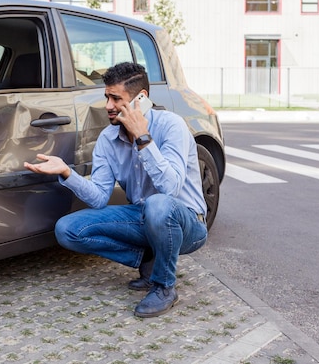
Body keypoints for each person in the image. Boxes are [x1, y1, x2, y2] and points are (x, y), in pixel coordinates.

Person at [24, 62, 208, 318]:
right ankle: (148, 259)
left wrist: (142, 137)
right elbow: (99, 198)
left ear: (141, 99)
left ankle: (164, 286)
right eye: (106, 97)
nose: (108, 106)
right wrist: (67, 172)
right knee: (67, 230)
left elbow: (171, 187)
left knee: (158, 204)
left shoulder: (171, 126)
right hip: (143, 217)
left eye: (115, 98)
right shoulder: (108, 139)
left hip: (187, 223)